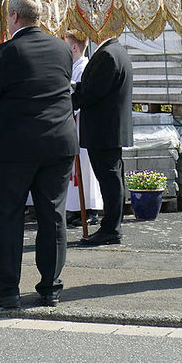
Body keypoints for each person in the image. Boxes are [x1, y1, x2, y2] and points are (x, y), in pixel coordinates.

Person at [0, 0, 78, 309]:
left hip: (14, 148)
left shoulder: (2, 54)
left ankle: (8, 290)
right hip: (57, 142)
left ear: (14, 17)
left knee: (6, 215)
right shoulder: (62, 49)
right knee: (52, 216)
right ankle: (50, 288)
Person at [71, 30, 133, 246]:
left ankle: (111, 228)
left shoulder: (107, 55)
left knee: (109, 180)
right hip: (108, 128)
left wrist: (69, 99)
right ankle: (112, 225)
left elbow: (92, 92)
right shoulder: (115, 51)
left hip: (104, 129)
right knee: (112, 178)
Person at [64, 30, 102, 227]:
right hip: (73, 123)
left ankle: (90, 208)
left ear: (74, 46)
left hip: (82, 123)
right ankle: (76, 207)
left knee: (85, 170)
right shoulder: (72, 66)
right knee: (74, 170)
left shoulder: (84, 67)